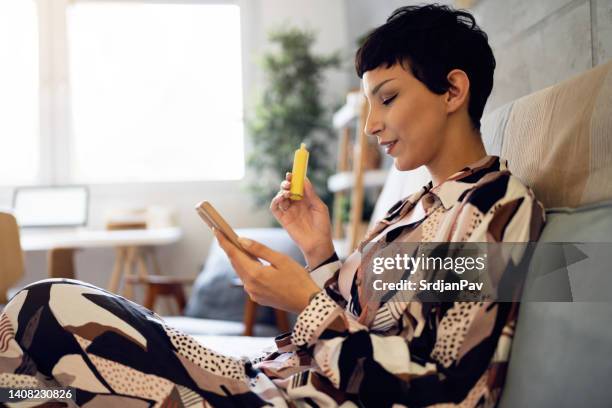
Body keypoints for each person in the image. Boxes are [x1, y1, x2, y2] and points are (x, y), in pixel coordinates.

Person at [0, 4, 545, 407]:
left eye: (388, 97)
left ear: (453, 92)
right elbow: (368, 325)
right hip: (266, 376)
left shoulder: (491, 211)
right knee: (29, 343)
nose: (372, 124)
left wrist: (305, 301)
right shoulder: (412, 209)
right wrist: (318, 249)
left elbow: (433, 383)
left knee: (42, 311)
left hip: (283, 398)